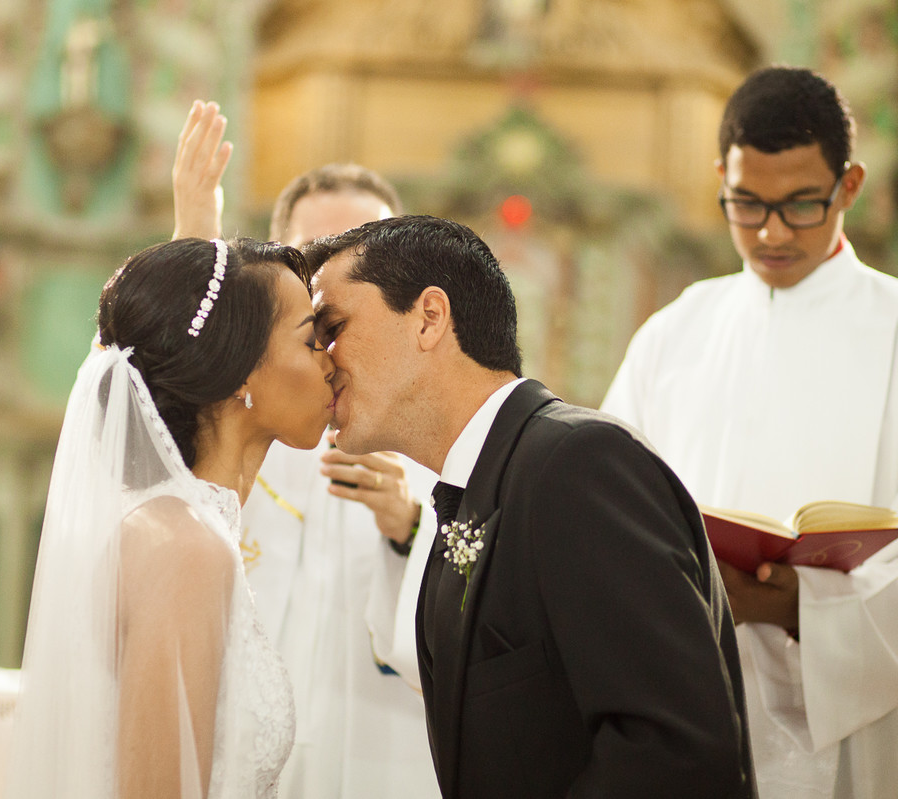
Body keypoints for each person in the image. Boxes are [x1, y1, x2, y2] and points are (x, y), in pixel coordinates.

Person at [305, 214, 756, 798]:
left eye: (332, 326)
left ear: (429, 318)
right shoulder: (472, 494)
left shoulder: (580, 465)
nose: (320, 359)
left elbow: (676, 749)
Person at [601, 65, 898, 799]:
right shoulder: (675, 332)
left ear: (849, 186)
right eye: (746, 204)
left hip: (860, 720)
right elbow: (606, 507)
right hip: (690, 693)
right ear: (721, 180)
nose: (769, 231)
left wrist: (796, 603)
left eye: (801, 205)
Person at [172, 100, 439, 797]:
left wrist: (412, 530)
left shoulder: (441, 419)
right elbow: (134, 415)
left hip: (385, 755)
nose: (339, 285)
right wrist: (192, 240)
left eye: (368, 255)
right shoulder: (235, 405)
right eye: (318, 257)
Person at [6, 237, 335, 798]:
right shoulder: (183, 546)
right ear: (237, 373)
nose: (331, 361)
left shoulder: (181, 526)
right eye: (312, 340)